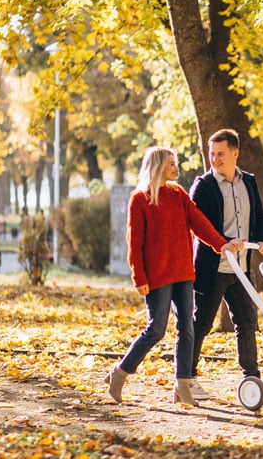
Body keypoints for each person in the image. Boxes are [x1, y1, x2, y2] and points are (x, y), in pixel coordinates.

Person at [104, 146, 243, 407]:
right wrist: (139, 277)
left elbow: (199, 222)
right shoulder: (140, 200)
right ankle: (119, 374)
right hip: (156, 277)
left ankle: (182, 386)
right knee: (155, 329)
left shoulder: (178, 194)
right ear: (157, 166)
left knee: (187, 329)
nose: (176, 169)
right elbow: (135, 243)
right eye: (171, 164)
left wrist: (221, 243)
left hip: (182, 273)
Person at [189, 128, 263, 399]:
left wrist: (262, 241)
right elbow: (200, 226)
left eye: (221, 154)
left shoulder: (248, 181)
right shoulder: (204, 186)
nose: (215, 159)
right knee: (201, 323)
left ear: (235, 153)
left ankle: (252, 380)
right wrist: (224, 241)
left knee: (247, 321)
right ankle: (187, 379)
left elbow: (259, 216)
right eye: (212, 154)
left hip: (243, 267)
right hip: (213, 267)